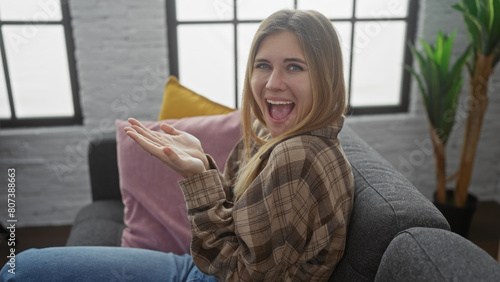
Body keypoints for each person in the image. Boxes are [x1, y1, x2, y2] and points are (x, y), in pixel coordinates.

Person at [1, 9, 353, 281]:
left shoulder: (299, 156)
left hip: (203, 274)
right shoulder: (281, 136)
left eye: (294, 67)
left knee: (19, 269)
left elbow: (242, 276)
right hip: (201, 267)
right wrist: (202, 165)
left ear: (326, 76)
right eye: (263, 65)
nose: (273, 83)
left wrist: (199, 182)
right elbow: (238, 223)